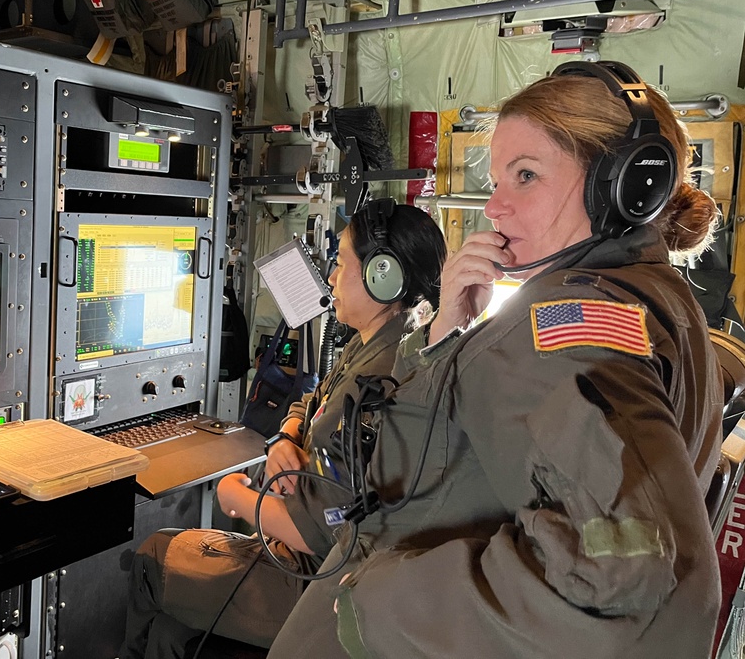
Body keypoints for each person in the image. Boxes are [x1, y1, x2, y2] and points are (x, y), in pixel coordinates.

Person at [267, 61, 723, 659]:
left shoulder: (564, 322)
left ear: (625, 185)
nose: (495, 208)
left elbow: (633, 582)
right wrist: (446, 335)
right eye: (498, 180)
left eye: (525, 175)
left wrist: (378, 603)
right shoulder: (660, 300)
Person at [120, 200, 447, 659]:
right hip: (315, 558)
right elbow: (309, 400)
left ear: (382, 278)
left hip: (315, 582)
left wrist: (236, 499)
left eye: (340, 264)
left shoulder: (376, 381)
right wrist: (286, 437)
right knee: (171, 635)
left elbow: (322, 533)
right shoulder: (388, 342)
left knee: (153, 558)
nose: (331, 277)